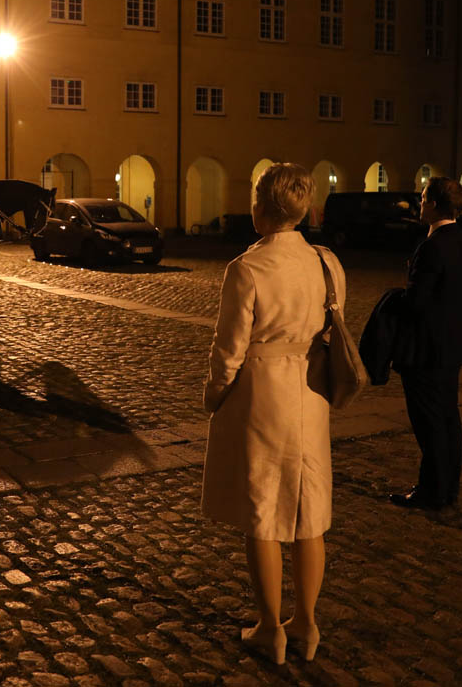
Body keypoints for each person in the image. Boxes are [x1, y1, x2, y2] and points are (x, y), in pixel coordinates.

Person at [201, 163, 343, 665]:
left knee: (263, 511)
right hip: (311, 389)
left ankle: (269, 627)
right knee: (309, 512)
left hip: (262, 391)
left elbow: (229, 347)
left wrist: (214, 394)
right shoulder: (326, 262)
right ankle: (305, 621)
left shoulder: (248, 268)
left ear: (262, 206)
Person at [389, 176, 462, 510]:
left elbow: (418, 302)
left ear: (436, 204)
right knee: (448, 419)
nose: (420, 203)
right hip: (454, 341)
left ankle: (431, 490)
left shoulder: (433, 245)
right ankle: (448, 486)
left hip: (426, 348)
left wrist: (397, 296)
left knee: (429, 422)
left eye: (424, 198)